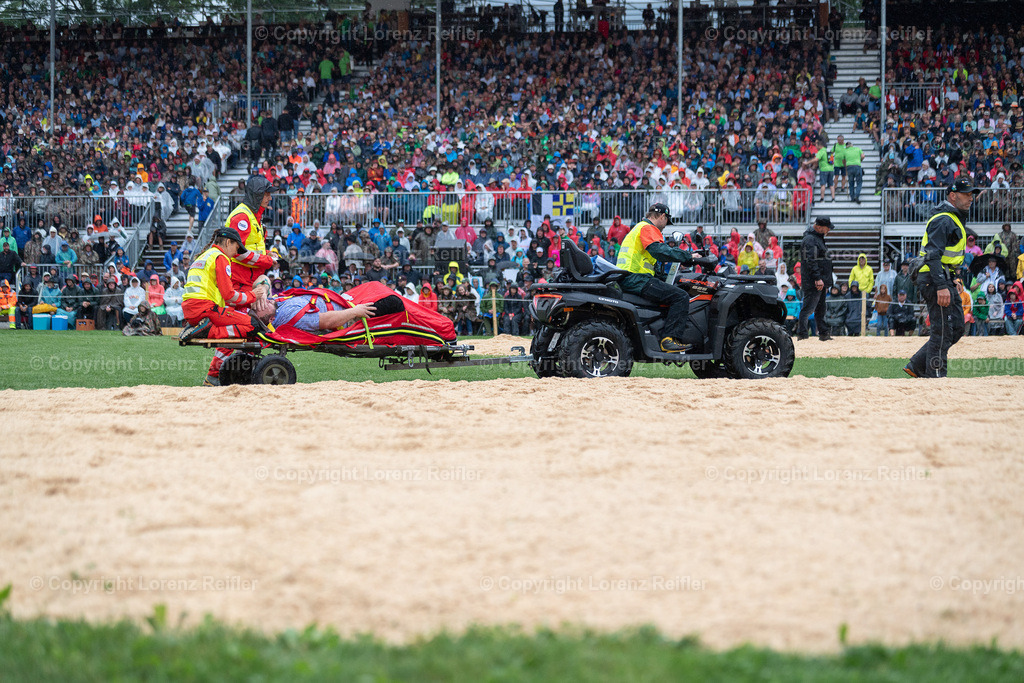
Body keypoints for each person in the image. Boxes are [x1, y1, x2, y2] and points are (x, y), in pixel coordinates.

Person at [905, 177, 978, 378]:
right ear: (953, 196)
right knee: (943, 329)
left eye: (972, 194)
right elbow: (933, 255)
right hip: (934, 278)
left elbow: (947, 255)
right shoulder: (944, 219)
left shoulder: (951, 218)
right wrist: (941, 286)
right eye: (966, 194)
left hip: (942, 276)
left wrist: (953, 277)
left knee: (955, 328)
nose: (971, 198)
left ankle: (918, 365)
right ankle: (935, 375)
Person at [179, 227, 270, 386]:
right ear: (228, 242)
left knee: (237, 325)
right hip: (205, 308)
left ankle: (213, 375)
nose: (236, 253)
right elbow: (229, 295)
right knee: (251, 325)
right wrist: (253, 295)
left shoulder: (203, 256)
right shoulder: (220, 258)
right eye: (236, 247)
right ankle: (208, 331)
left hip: (191, 309)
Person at [615, 203, 695, 352]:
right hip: (636, 278)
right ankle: (669, 339)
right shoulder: (648, 228)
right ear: (663, 217)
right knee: (681, 297)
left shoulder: (638, 228)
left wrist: (671, 278)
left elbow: (651, 263)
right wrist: (687, 257)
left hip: (630, 277)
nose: (665, 227)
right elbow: (659, 251)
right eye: (666, 222)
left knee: (671, 290)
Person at [797, 216, 834, 340]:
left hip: (820, 280)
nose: (828, 230)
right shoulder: (810, 239)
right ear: (818, 227)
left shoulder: (816, 238)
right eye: (827, 228)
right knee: (808, 308)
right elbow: (810, 260)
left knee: (820, 308)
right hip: (814, 281)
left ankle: (823, 333)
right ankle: (802, 334)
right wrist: (817, 278)